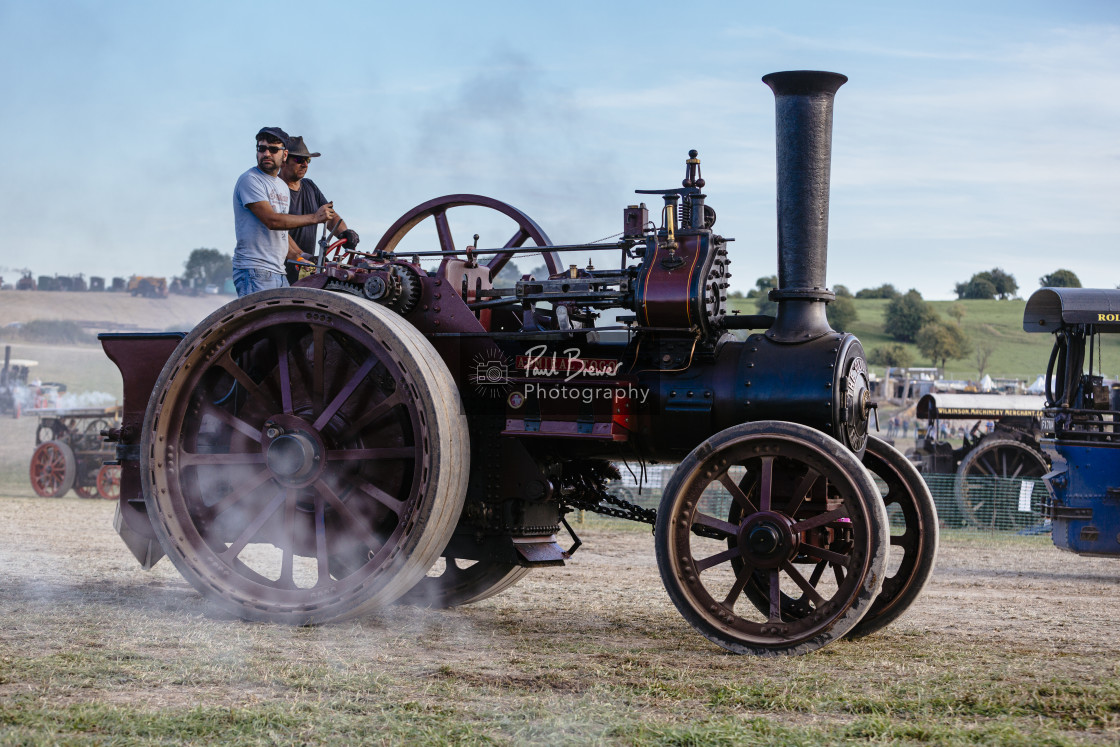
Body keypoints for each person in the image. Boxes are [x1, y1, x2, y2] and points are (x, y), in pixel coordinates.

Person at [232, 127, 335, 296]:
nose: (266, 153)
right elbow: (273, 221)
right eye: (261, 148)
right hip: (255, 270)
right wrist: (315, 217)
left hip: (279, 271)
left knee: (285, 321)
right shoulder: (250, 180)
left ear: (284, 155)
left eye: (273, 149)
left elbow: (282, 236)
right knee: (266, 323)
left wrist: (304, 258)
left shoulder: (281, 186)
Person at [278, 135, 359, 284]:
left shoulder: (310, 186)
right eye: (298, 160)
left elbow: (330, 216)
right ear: (284, 160)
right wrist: (304, 257)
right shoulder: (275, 190)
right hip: (279, 272)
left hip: (305, 269)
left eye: (307, 160)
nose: (305, 164)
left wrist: (344, 233)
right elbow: (278, 233)